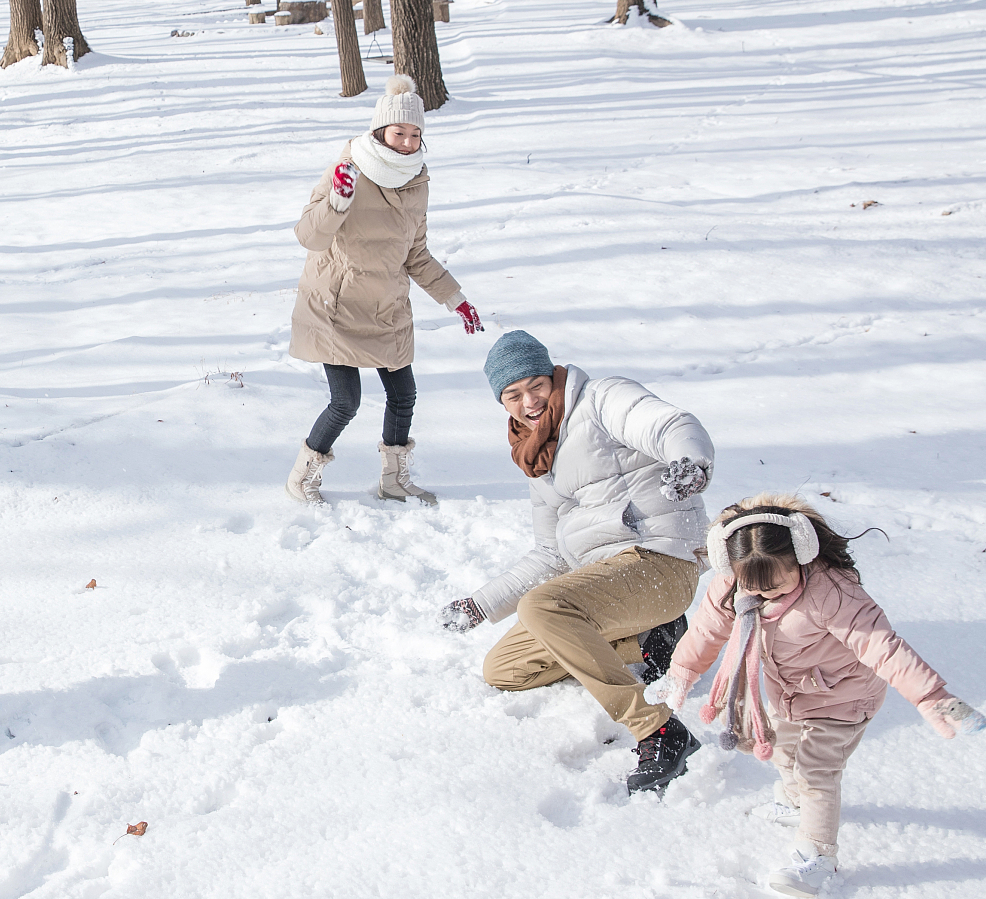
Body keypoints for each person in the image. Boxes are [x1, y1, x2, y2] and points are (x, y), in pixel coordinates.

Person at [647, 495, 986, 899]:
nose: (762, 594)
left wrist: (930, 696)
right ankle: (795, 805)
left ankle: (819, 856)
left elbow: (883, 646)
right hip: (788, 694)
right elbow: (707, 628)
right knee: (783, 752)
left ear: (803, 555)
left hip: (844, 699)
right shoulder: (734, 581)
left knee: (815, 772)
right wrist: (683, 671)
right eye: (751, 586)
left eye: (775, 585)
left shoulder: (832, 592)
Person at [441, 329, 714, 794]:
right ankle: (648, 641)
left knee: (545, 607)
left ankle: (657, 731)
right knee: (503, 669)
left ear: (553, 377)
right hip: (603, 580)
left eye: (536, 386)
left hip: (658, 561)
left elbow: (670, 425)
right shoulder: (537, 461)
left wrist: (689, 461)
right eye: (513, 394)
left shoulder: (601, 400)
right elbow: (551, 553)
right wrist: (481, 605)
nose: (528, 402)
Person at [286, 73, 484, 506]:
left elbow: (416, 255)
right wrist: (338, 201)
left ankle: (393, 480)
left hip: (387, 307)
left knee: (403, 395)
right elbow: (309, 236)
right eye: (400, 132)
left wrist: (456, 298)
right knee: (346, 402)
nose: (408, 142)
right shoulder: (348, 169)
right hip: (335, 307)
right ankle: (302, 478)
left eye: (416, 134)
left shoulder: (417, 182)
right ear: (380, 130)